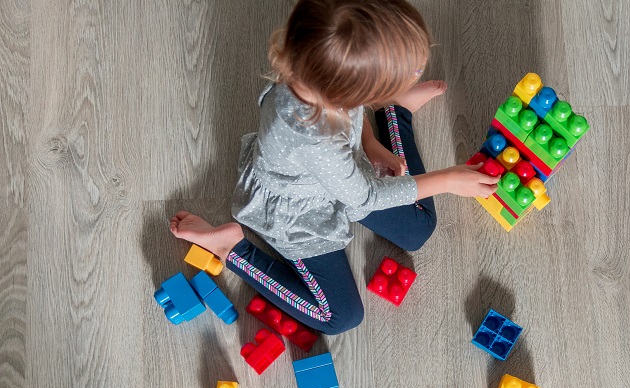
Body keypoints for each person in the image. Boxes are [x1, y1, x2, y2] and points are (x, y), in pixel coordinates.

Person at [170, 0, 499, 335]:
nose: (417, 70)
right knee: (340, 317)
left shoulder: (310, 71)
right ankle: (233, 249)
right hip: (298, 214)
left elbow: (351, 117)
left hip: (332, 175)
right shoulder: (317, 137)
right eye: (405, 75)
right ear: (352, 92)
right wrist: (448, 180)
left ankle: (393, 110)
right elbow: (365, 198)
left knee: (417, 229)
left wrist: (370, 144)